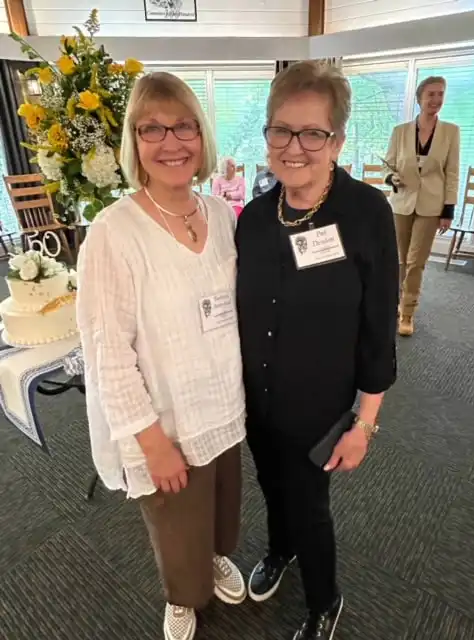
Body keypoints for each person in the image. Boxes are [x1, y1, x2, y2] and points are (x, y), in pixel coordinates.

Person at [76, 72, 247, 640]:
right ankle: (182, 595)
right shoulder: (113, 231)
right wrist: (152, 443)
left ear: (202, 136)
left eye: (183, 127)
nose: (171, 142)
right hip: (165, 420)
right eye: (152, 128)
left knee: (219, 506)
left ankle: (215, 559)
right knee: (175, 524)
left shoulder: (219, 213)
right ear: (134, 142)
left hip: (223, 403)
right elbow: (108, 352)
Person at [236, 61, 398, 640]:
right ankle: (280, 550)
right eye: (281, 130)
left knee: (309, 505)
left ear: (337, 141)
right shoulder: (255, 217)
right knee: (271, 486)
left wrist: (366, 423)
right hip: (255, 397)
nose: (294, 147)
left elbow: (378, 325)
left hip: (319, 403)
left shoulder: (366, 213)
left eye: (312, 133)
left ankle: (324, 600)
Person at [384, 75, 460, 337]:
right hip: (402, 202)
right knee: (398, 260)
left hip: (431, 206)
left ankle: (408, 312)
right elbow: (388, 164)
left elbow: (452, 173)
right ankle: (393, 302)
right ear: (419, 98)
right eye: (431, 94)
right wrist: (391, 178)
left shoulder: (451, 132)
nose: (436, 99)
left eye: (440, 94)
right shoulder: (400, 131)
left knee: (416, 262)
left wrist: (448, 209)